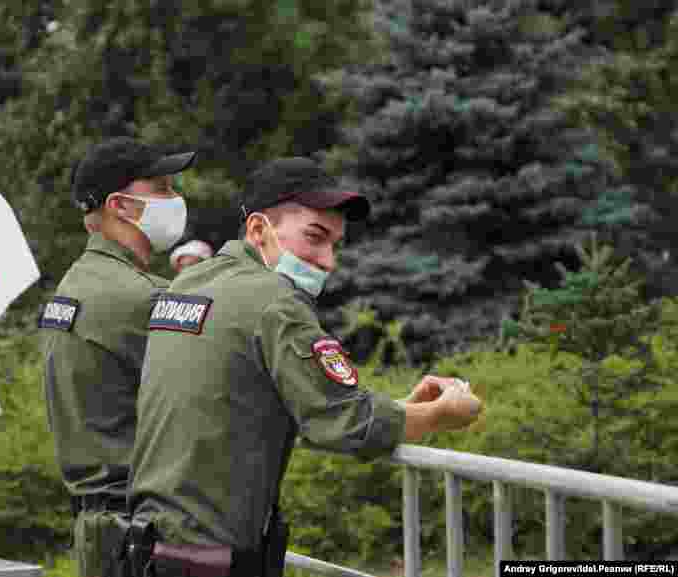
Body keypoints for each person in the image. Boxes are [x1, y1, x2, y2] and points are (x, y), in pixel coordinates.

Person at [126, 157, 482, 577]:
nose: (328, 261)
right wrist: (442, 414)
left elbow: (263, 399)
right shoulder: (276, 301)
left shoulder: (189, 284)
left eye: (335, 245)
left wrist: (404, 408)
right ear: (258, 230)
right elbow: (345, 421)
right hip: (210, 557)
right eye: (315, 237)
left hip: (148, 546)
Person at [39, 136, 197, 577]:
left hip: (103, 529)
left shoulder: (75, 285)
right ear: (120, 206)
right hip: (145, 535)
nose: (176, 199)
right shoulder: (142, 298)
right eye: (162, 188)